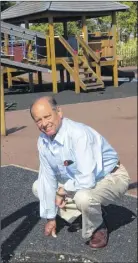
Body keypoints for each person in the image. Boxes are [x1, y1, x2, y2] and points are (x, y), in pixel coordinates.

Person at [30, 96, 130, 249]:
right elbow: (47, 178)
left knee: (83, 197)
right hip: (80, 179)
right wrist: (50, 217)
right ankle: (84, 214)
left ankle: (97, 226)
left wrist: (61, 192)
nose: (44, 123)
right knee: (39, 187)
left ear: (59, 112)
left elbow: (86, 178)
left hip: (111, 176)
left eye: (47, 116)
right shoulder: (43, 141)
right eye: (38, 120)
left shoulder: (78, 134)